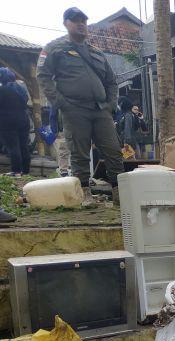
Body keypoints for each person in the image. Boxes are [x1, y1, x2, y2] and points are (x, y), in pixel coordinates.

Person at [36, 7, 124, 203]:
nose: (81, 24)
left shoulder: (97, 53)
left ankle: (120, 194)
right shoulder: (54, 48)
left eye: (83, 20)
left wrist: (110, 104)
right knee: (79, 153)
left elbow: (111, 81)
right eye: (75, 20)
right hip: (74, 109)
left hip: (101, 110)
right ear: (66, 23)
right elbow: (43, 76)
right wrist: (60, 103)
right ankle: (84, 194)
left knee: (113, 150)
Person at [0, 68, 31, 179]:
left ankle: (16, 171)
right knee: (24, 146)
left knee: (13, 146)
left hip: (7, 122)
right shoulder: (21, 89)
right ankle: (26, 171)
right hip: (23, 119)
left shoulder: (2, 90)